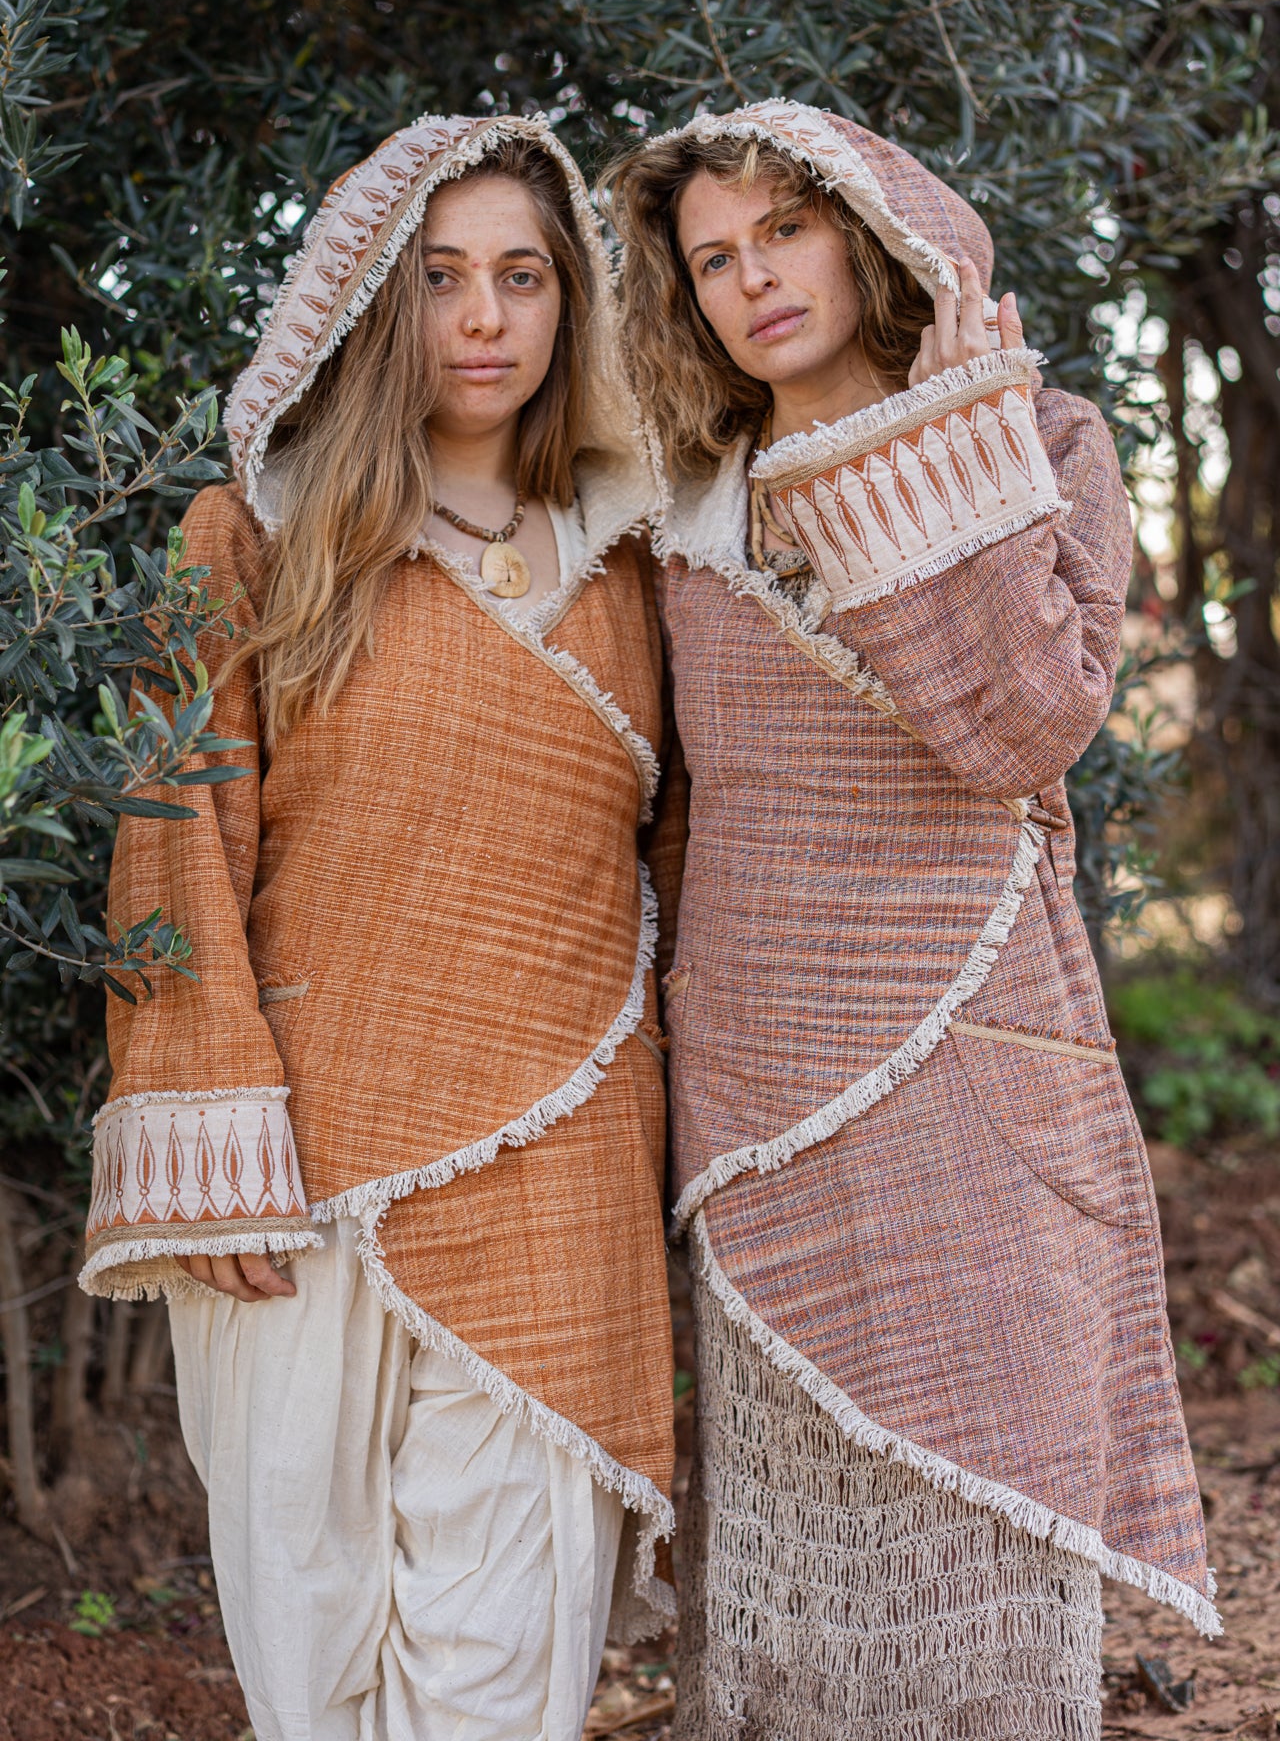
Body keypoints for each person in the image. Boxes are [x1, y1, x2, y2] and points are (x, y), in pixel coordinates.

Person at [603, 100, 1217, 1741]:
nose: (751, 280)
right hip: (756, 1074)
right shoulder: (681, 504)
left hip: (974, 1037)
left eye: (782, 233)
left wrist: (937, 441)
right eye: (712, 258)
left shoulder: (1045, 444)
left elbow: (1021, 728)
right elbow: (668, 802)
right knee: (799, 1541)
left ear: (873, 237)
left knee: (989, 1480)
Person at [79, 112, 682, 1741]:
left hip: (566, 1147)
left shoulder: (641, 562)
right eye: (439, 278)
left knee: (498, 1665)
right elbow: (177, 841)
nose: (483, 318)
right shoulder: (253, 538)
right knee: (316, 1642)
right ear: (369, 298)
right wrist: (203, 1121)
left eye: (522, 277)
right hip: (300, 1155)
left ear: (572, 308)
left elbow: (696, 861)